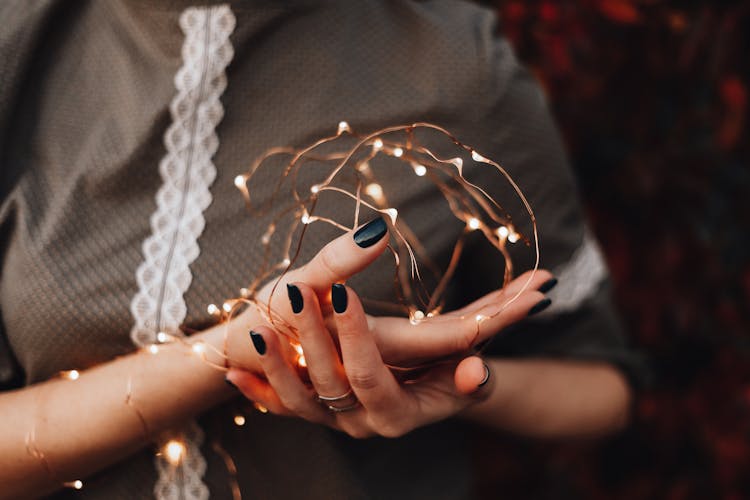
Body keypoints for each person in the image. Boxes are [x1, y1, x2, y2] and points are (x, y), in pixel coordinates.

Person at [0, 1, 641, 498]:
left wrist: (461, 386)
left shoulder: (454, 64)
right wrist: (229, 352)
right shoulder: (21, 46)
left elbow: (603, 389)